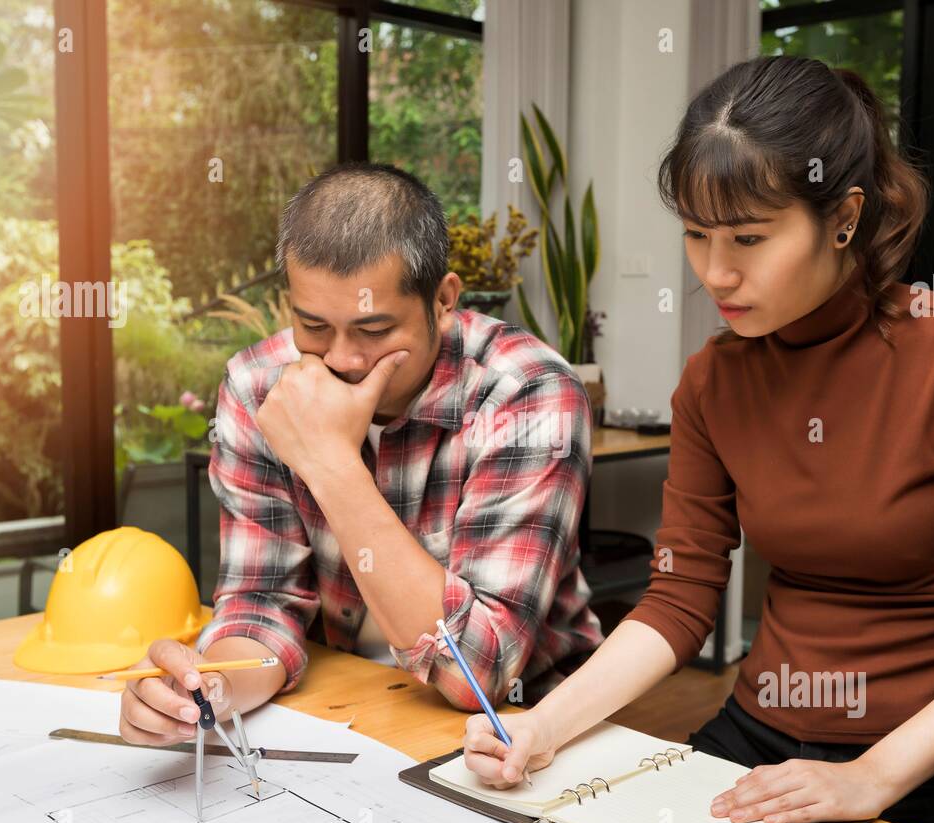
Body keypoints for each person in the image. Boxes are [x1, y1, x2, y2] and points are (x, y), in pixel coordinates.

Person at [461, 56, 934, 823]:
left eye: (750, 238)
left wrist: (871, 777)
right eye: (695, 235)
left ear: (844, 217)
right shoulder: (715, 381)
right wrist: (543, 724)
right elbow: (681, 597)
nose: (715, 273)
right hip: (761, 739)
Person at [118, 162, 603, 748]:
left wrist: (331, 464)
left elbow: (478, 669)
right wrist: (210, 691)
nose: (344, 359)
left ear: (444, 299)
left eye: (373, 330)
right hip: (361, 707)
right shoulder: (257, 387)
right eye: (314, 325)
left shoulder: (527, 392)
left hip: (530, 725)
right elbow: (264, 600)